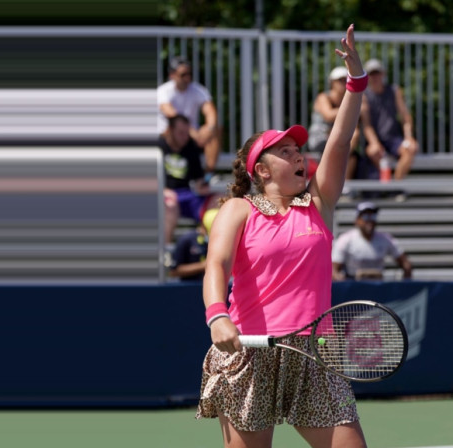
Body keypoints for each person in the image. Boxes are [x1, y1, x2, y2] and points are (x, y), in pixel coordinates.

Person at [196, 24, 368, 448]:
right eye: (285, 151)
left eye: (299, 151)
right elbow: (215, 266)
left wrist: (355, 83)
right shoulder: (237, 209)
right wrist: (218, 315)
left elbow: (340, 141)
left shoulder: (319, 205)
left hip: (314, 355)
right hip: (248, 353)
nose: (298, 156)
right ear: (261, 170)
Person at [157, 56, 220, 176]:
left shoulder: (198, 90)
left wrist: (209, 128)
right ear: (172, 75)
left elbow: (210, 111)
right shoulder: (163, 91)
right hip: (168, 136)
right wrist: (191, 132)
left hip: (190, 137)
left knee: (214, 132)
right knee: (174, 129)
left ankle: (208, 176)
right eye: (183, 74)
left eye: (189, 74)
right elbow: (173, 115)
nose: (187, 78)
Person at [357, 58, 418, 181]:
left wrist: (409, 137)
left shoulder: (394, 91)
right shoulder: (363, 95)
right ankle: (386, 185)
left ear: (383, 74)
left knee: (412, 148)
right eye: (371, 74)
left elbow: (405, 117)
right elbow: (367, 125)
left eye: (377, 73)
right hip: (375, 139)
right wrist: (374, 142)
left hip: (394, 138)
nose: (375, 77)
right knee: (374, 152)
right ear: (367, 76)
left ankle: (396, 184)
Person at [159, 114, 212, 244]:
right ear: (170, 130)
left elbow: (198, 178)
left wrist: (202, 186)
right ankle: (164, 253)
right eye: (180, 133)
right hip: (164, 197)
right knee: (170, 205)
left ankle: (206, 249)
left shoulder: (191, 147)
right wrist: (163, 190)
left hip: (187, 195)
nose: (185, 137)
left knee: (220, 201)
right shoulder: (157, 146)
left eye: (186, 133)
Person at [332, 201, 412, 281]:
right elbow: (333, 269)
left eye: (373, 216)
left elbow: (405, 263)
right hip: (353, 286)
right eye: (365, 216)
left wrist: (405, 284)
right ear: (357, 220)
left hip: (378, 287)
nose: (370, 220)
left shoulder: (385, 239)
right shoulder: (345, 239)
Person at [308, 66, 361, 180]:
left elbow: (354, 125)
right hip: (320, 139)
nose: (343, 82)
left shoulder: (347, 101)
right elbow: (328, 115)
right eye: (340, 80)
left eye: (345, 79)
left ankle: (345, 186)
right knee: (346, 152)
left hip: (337, 139)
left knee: (352, 155)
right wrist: (352, 107)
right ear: (332, 82)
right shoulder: (324, 97)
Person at [167, 207, 218, 282]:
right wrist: (203, 265)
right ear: (203, 226)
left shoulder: (219, 242)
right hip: (188, 289)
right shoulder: (186, 239)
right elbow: (173, 271)